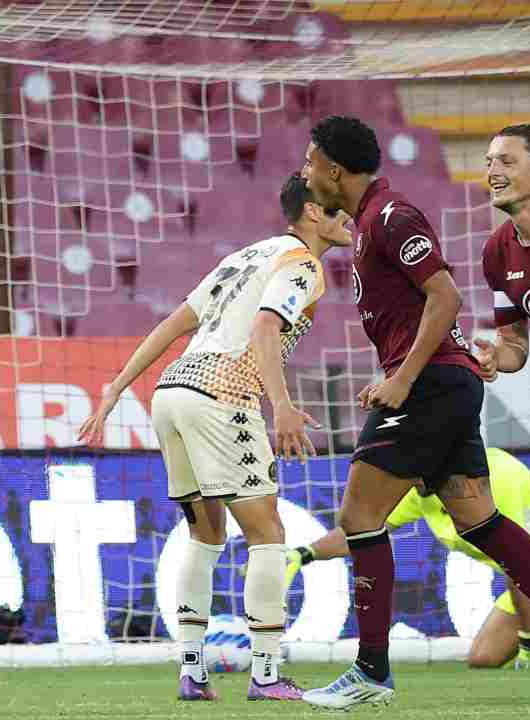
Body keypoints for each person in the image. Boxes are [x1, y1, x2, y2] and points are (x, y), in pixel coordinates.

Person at [298, 116, 530, 709]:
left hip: (432, 384)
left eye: (312, 162)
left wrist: (403, 379)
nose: (306, 172)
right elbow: (498, 333)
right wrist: (486, 357)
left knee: (359, 514)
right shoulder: (372, 226)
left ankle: (370, 671)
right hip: (448, 380)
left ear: (335, 168)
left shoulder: (392, 216)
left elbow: (445, 297)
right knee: (479, 521)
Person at [79, 173, 353, 702]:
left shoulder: (247, 256)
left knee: (205, 534)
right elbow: (265, 329)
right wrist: (284, 407)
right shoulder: (303, 264)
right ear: (313, 214)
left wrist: (117, 387)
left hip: (172, 391)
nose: (350, 221)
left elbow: (175, 324)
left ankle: (191, 672)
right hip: (222, 395)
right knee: (267, 532)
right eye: (341, 212)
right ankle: (268, 674)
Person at [286, 447, 530, 669]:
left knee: (523, 591)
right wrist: (304, 553)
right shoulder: (422, 486)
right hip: (523, 578)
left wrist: (529, 641)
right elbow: (361, 532)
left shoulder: (497, 479)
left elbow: (521, 562)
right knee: (484, 657)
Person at [476, 122, 530, 517]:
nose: (493, 171)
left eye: (507, 160)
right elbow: (517, 346)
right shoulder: (497, 253)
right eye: (489, 162)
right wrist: (495, 358)